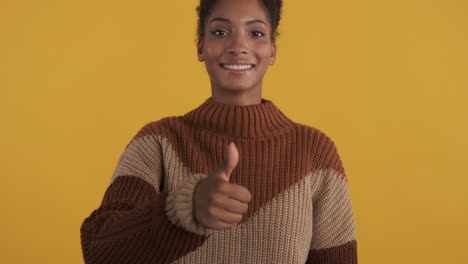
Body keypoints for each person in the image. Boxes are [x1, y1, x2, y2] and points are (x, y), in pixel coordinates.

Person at [80, 0, 358, 263]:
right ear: (200, 47)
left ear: (272, 50)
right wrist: (184, 210)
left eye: (256, 32)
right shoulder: (159, 142)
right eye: (221, 31)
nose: (238, 45)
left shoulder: (314, 153)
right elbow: (99, 250)